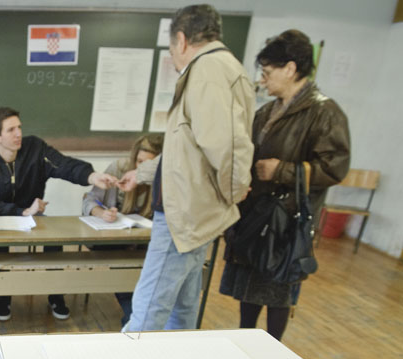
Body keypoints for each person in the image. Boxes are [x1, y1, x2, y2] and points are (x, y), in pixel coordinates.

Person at [118, 5, 254, 332]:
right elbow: (186, 150)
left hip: (184, 217)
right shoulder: (219, 68)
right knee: (183, 309)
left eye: (170, 50)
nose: (173, 58)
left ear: (181, 40)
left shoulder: (208, 71)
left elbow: (227, 148)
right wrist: (144, 174)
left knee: (147, 312)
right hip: (195, 214)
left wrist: (235, 192)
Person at [219, 30, 350, 340]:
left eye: (267, 72)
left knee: (277, 290)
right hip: (256, 215)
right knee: (250, 289)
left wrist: (282, 171)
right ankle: (246, 343)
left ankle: (271, 352)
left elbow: (334, 168)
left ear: (290, 68)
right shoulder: (267, 111)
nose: (263, 80)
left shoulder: (325, 112)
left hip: (286, 221)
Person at [0, 106, 117, 321]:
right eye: (11, 130)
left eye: (19, 127)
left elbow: (64, 165)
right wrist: (21, 211)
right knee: (1, 245)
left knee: (53, 238)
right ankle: (2, 297)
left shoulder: (35, 148)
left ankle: (55, 294)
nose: (19, 134)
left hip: (33, 217)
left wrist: (91, 175)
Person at [81, 133, 163, 325]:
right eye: (138, 161)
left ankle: (140, 316)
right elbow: (89, 200)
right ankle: (133, 316)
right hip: (113, 239)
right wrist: (101, 213)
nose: (140, 168)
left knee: (148, 268)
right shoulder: (119, 168)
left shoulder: (163, 177)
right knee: (124, 264)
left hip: (144, 241)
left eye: (147, 165)